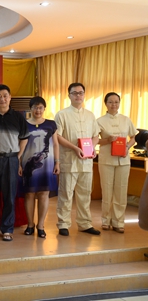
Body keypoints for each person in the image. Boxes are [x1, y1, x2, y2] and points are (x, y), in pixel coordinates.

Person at [0, 84, 29, 241]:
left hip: (11, 160)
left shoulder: (18, 117)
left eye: (5, 96)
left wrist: (18, 156)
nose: (2, 99)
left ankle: (7, 229)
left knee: (9, 195)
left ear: (10, 98)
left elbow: (24, 138)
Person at [54, 82, 100, 236]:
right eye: (74, 93)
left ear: (84, 95)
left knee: (85, 194)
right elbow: (57, 136)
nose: (78, 96)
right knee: (66, 194)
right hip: (69, 161)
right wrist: (75, 148)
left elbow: (95, 135)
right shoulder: (62, 114)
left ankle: (85, 224)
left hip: (86, 162)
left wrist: (92, 148)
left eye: (81, 93)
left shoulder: (90, 115)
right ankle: (63, 224)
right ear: (69, 95)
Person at [17, 96, 59, 239]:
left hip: (47, 164)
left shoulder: (51, 124)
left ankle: (41, 226)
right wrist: (19, 164)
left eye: (40, 107)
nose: (38, 110)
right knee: (29, 194)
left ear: (44, 109)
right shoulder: (24, 124)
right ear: (31, 109)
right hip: (27, 164)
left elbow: (56, 144)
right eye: (35, 107)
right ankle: (30, 224)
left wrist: (57, 162)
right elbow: (19, 146)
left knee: (44, 193)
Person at [96, 92, 136, 233]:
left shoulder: (126, 119)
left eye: (116, 102)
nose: (114, 104)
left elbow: (133, 138)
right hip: (106, 160)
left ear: (119, 103)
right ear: (105, 104)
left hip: (123, 160)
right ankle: (106, 220)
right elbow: (94, 140)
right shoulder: (99, 121)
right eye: (111, 102)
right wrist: (108, 140)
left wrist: (127, 146)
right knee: (107, 191)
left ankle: (118, 222)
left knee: (121, 191)